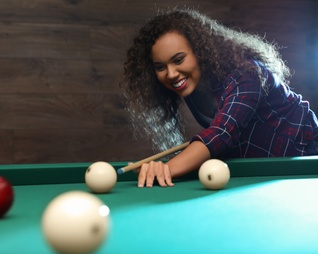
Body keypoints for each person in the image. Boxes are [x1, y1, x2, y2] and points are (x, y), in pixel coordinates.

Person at [119, 8, 318, 188]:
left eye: (178, 60)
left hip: (306, 158)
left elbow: (222, 132)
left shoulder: (247, 73)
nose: (171, 74)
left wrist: (165, 170)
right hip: (264, 173)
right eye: (160, 67)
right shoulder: (193, 86)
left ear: (200, 51)